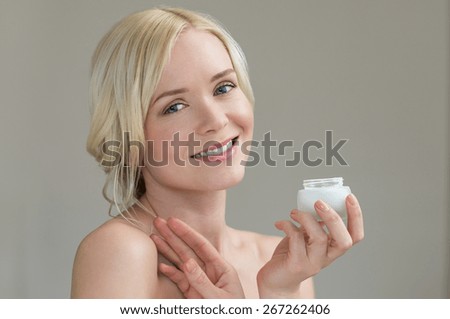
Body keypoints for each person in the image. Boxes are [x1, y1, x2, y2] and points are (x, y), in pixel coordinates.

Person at [71, 7, 364, 299]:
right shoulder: (121, 251)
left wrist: (280, 292)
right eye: (174, 106)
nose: (215, 120)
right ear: (130, 141)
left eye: (223, 87)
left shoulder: (278, 263)